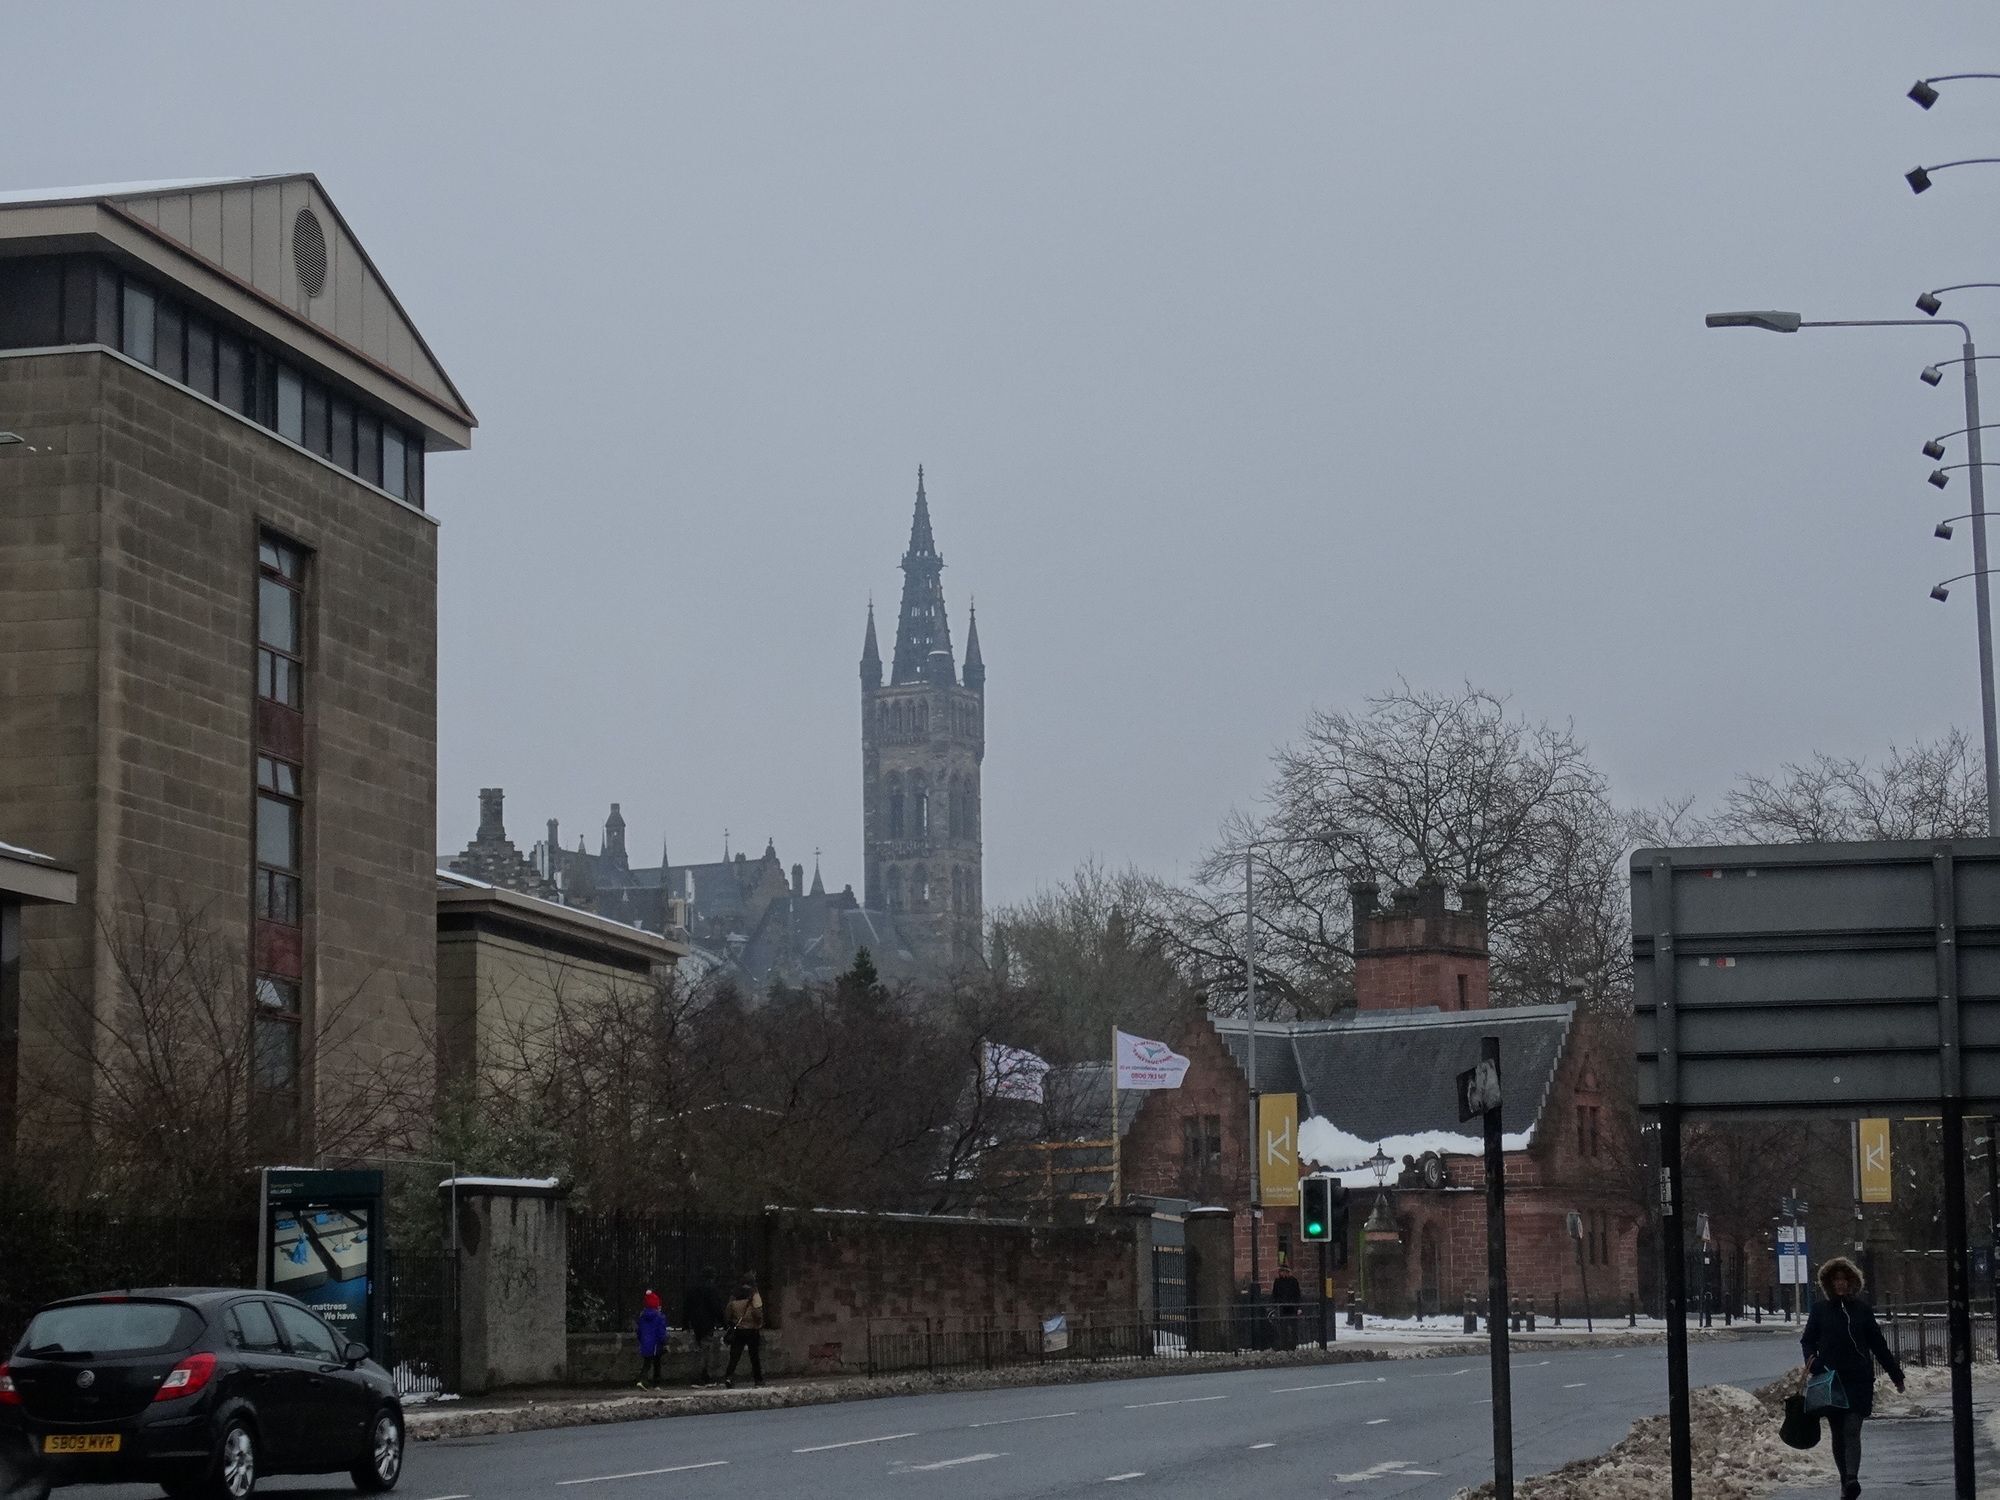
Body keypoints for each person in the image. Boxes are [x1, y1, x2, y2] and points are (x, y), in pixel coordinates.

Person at [1801, 1255, 1904, 1500]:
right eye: (1835, 1280)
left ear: (1852, 1282)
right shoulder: (1820, 1310)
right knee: (1838, 1432)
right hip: (1830, 1380)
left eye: (1844, 1279)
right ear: (1829, 1283)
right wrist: (1814, 1362)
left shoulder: (1862, 1311)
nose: (1840, 1284)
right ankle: (1844, 1481)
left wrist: (1895, 1375)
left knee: (1852, 1428)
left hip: (1859, 1379)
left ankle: (1852, 1478)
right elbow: (1807, 1341)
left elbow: (1878, 1345)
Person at [683, 1266, 727, 1386]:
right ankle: (703, 1376)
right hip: (707, 1323)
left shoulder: (692, 1288)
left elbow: (686, 1306)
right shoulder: (711, 1289)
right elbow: (716, 1307)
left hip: (695, 1323)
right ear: (712, 1277)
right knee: (705, 1349)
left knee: (696, 1350)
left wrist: (685, 1323)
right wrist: (723, 1322)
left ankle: (694, 1376)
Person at [723, 1272, 765, 1388]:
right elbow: (758, 1312)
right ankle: (758, 1379)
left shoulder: (735, 1294)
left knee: (734, 1356)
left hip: (739, 1329)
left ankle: (729, 1377)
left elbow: (727, 1313)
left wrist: (733, 1322)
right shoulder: (754, 1295)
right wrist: (759, 1322)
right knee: (754, 1356)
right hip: (752, 1329)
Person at [635, 1289, 668, 1389]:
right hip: (656, 1344)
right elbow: (661, 1332)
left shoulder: (642, 1316)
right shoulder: (659, 1317)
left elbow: (639, 1331)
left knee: (647, 1362)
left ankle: (643, 1380)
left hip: (645, 1343)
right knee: (657, 1363)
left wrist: (641, 1340)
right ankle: (654, 1383)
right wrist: (664, 1342)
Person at [1271, 1264, 1302, 1351]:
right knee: (1282, 1327)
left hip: (1292, 1307)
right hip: (1282, 1307)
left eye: (1282, 1271)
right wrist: (1275, 1306)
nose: (1280, 1273)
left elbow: (1297, 1294)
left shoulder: (1293, 1281)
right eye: (1280, 1272)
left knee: (1293, 1327)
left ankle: (1293, 1345)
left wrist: (1299, 1307)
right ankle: (1283, 1345)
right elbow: (1274, 1294)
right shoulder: (1277, 1281)